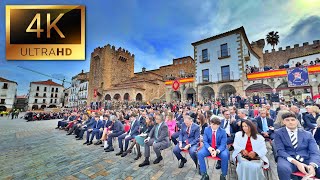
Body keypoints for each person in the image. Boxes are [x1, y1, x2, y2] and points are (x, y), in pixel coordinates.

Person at [274, 112, 320, 180]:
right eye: (287, 120)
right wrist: (297, 163)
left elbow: (314, 152)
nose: (290, 122)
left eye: (293, 120)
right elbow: (280, 151)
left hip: (306, 158)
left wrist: (312, 165)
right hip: (288, 158)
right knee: (283, 168)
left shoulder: (307, 134)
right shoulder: (278, 133)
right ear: (283, 122)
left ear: (297, 121)